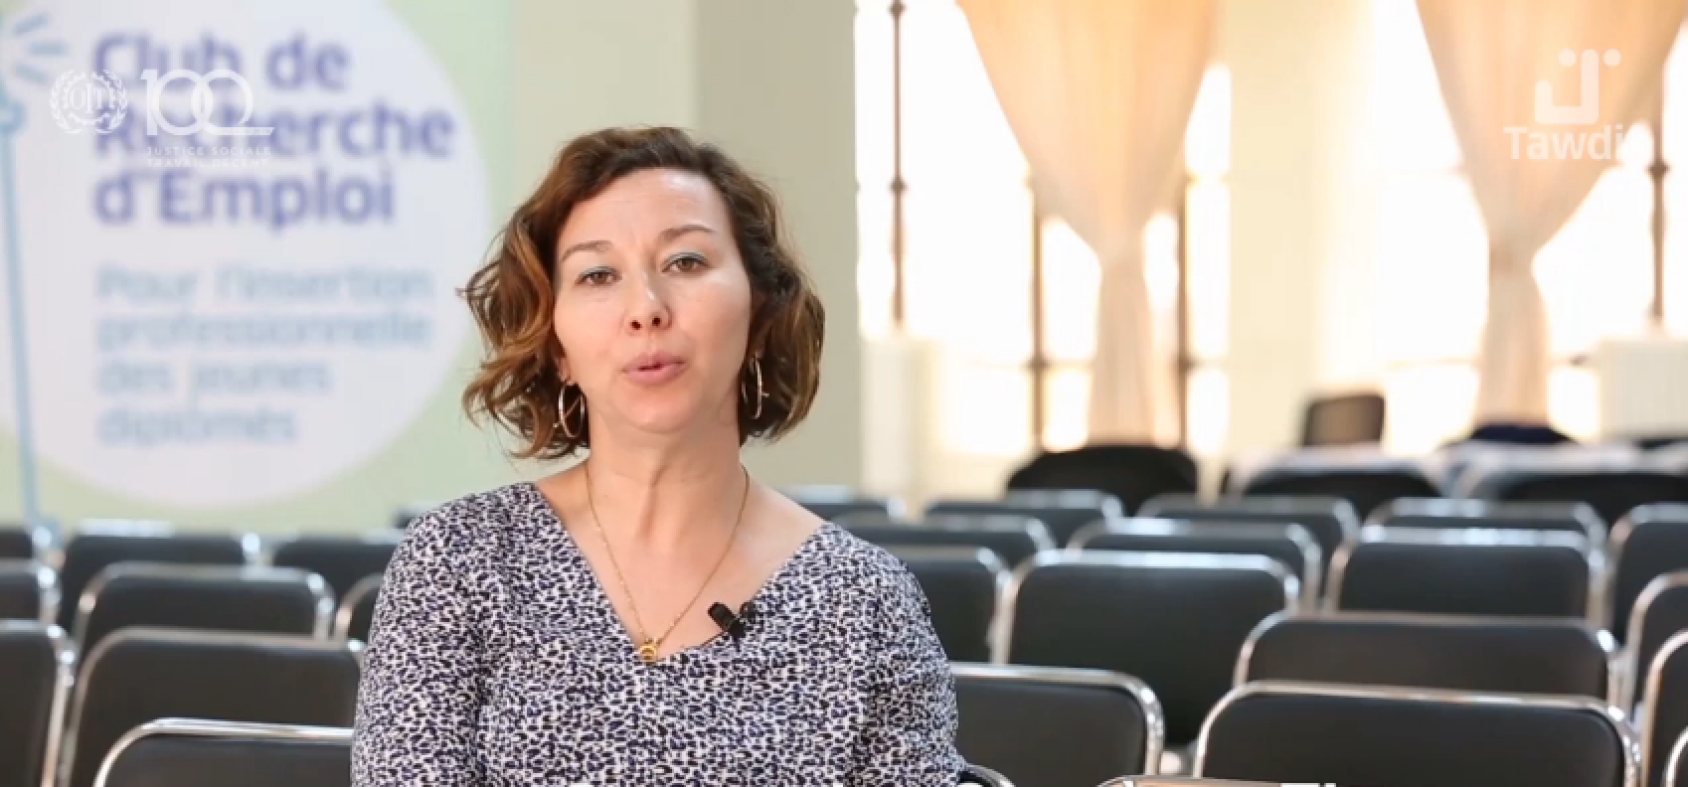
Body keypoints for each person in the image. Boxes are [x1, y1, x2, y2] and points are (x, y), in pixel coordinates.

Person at [350, 126, 967, 786]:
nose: (645, 308)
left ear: (760, 312)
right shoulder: (459, 559)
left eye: (686, 263)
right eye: (598, 274)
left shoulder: (866, 600)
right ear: (557, 345)